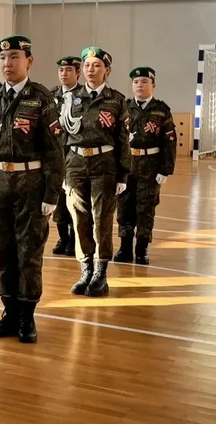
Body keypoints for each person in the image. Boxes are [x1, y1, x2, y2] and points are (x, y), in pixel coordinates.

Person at [0, 35, 64, 344]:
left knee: (29, 253)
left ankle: (26, 315)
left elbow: (54, 151)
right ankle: (9, 311)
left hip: (30, 187)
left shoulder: (41, 98)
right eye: (2, 58)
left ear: (29, 61)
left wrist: (51, 194)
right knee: (2, 251)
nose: (7, 63)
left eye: (14, 57)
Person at [60, 47, 130, 298]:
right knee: (79, 218)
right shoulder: (70, 98)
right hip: (75, 164)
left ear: (106, 70)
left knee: (101, 218)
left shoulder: (116, 100)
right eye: (87, 65)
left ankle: (101, 272)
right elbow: (61, 137)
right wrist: (61, 172)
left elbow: (123, 140)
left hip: (104, 165)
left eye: (97, 65)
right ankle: (86, 269)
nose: (91, 69)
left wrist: (123, 174)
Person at [115, 67, 177, 265]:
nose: (139, 86)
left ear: (153, 85)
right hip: (128, 165)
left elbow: (170, 142)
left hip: (150, 166)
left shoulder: (161, 110)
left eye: (144, 82)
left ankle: (141, 249)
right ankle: (125, 248)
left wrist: (165, 170)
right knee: (124, 207)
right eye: (136, 82)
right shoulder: (124, 107)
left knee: (146, 208)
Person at [49, 55, 81, 257]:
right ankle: (63, 238)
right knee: (58, 199)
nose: (64, 74)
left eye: (69, 70)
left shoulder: (83, 96)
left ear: (78, 73)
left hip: (74, 156)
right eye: (61, 70)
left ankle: (74, 238)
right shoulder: (50, 95)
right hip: (54, 155)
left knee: (74, 199)